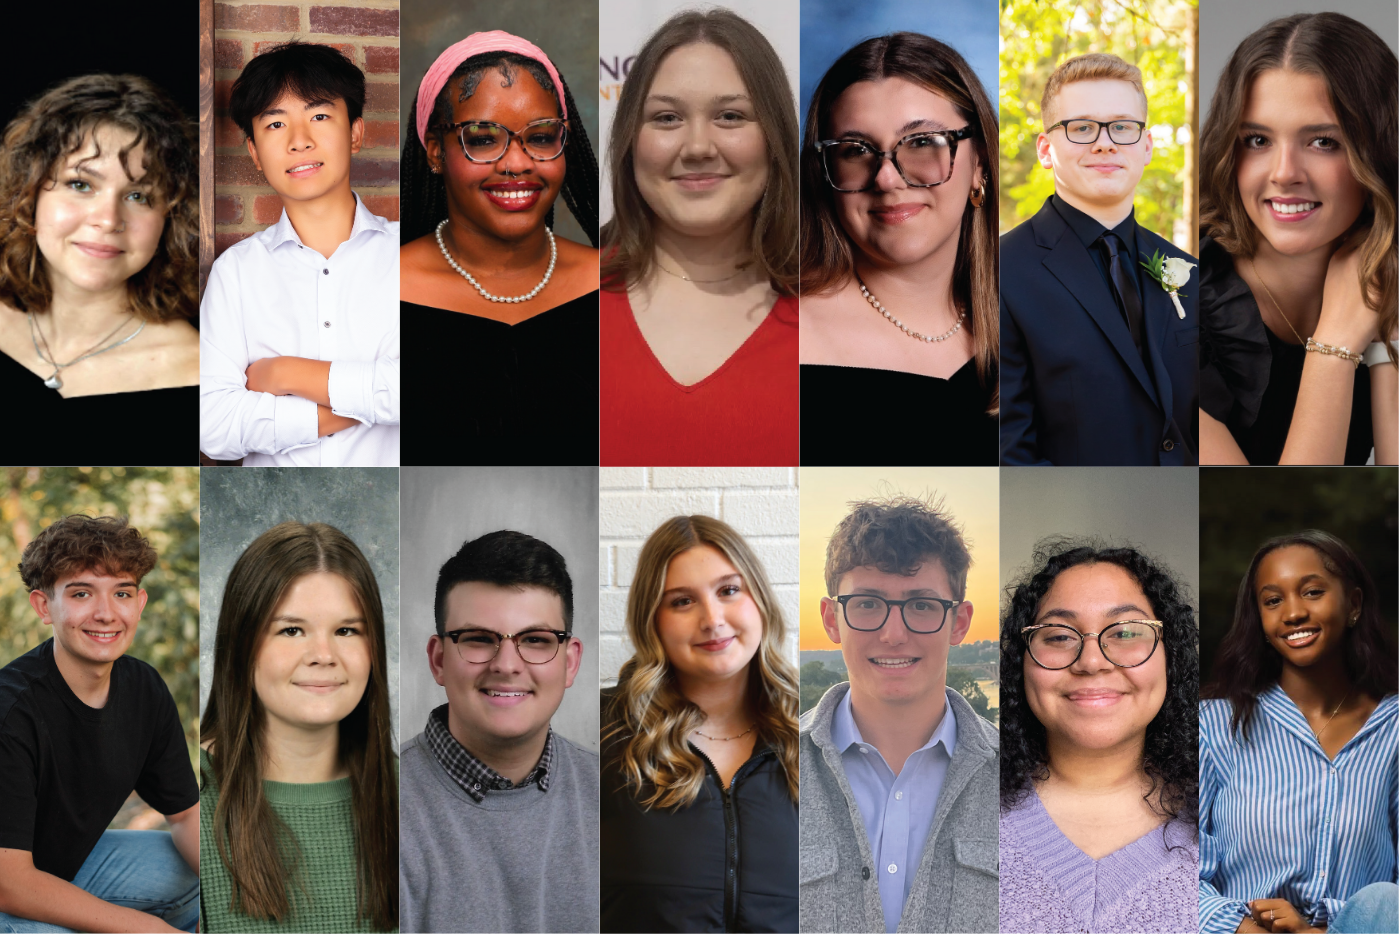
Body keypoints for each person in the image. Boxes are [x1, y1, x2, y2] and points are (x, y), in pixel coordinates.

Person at [599, 9, 799, 466]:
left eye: (730, 116)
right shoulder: (560, 297)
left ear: (774, 136)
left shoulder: (833, 305)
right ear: (631, 136)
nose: (697, 147)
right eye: (667, 118)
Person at [1198, 13, 1398, 466]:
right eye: (1257, 140)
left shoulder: (1390, 273)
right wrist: (1335, 346)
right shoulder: (1165, 308)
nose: (1285, 173)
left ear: (1379, 153)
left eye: (1324, 142)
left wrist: (1390, 338)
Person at [399, 32, 601, 465]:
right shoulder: (380, 285)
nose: (517, 163)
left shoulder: (616, 285)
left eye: (542, 137)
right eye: (483, 138)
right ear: (435, 152)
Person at [800, 495, 998, 934]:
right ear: (832, 619)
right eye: (868, 603)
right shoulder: (773, 769)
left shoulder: (1024, 779)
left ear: (960, 623)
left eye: (922, 605)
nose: (893, 635)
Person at [799, 34, 998, 465]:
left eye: (923, 142)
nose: (887, 178)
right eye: (855, 150)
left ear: (979, 162)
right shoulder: (780, 340)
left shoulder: (1026, 326)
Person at [200, 42, 400, 467]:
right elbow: (213, 427)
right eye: (275, 125)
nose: (299, 141)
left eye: (320, 116)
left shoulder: (412, 254)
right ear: (254, 151)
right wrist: (365, 406)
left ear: (356, 133)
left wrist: (287, 374)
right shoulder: (235, 272)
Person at [0, 515, 199, 932]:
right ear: (43, 606)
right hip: (8, 886)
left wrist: (249, 889)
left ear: (139, 603)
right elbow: (10, 884)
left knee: (206, 875)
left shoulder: (142, 686)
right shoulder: (11, 710)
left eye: (121, 592)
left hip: (62, 869)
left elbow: (185, 816)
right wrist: (150, 929)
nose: (106, 613)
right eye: (81, 593)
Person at [1000, 53, 1199, 466]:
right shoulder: (1001, 271)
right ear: (1045, 149)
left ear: (1145, 147)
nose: (1105, 141)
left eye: (1122, 126)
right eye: (1082, 128)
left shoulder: (1187, 271)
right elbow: (1009, 453)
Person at [602, 515, 797, 931]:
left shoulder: (818, 736)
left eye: (729, 590)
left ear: (759, 599)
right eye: (682, 601)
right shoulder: (602, 732)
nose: (712, 618)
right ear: (652, 619)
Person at [199, 522, 398, 932]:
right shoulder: (187, 796)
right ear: (241, 645)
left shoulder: (415, 794)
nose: (323, 655)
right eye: (291, 630)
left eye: (347, 630)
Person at [1199, 530, 1398, 934]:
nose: (1292, 614)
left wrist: (1320, 929)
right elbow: (1172, 871)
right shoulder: (1212, 725)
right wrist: (1243, 927)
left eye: (1311, 592)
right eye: (1273, 601)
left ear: (1354, 604)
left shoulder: (1394, 729)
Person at [400, 530, 598, 933]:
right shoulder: (378, 802)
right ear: (438, 660)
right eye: (478, 639)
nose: (507, 664)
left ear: (571, 662)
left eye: (536, 640)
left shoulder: (615, 794)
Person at [998, 540, 1198, 933]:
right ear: (1020, 663)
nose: (1092, 661)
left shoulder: (1225, 810)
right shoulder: (964, 807)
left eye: (1125, 632)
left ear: (1170, 654)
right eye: (1058, 636)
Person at [0, 75, 199, 464]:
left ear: (169, 218)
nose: (108, 219)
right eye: (81, 184)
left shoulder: (197, 375)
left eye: (139, 195)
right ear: (29, 191)